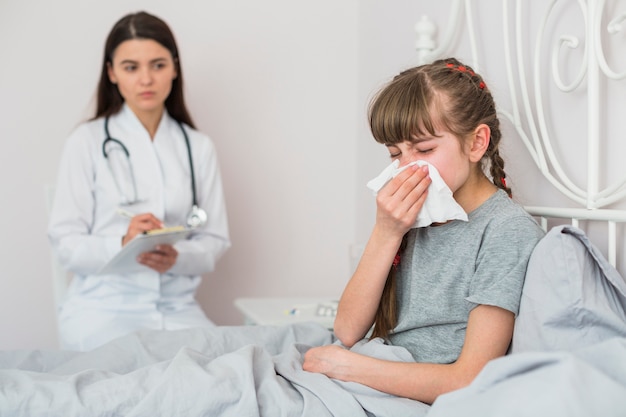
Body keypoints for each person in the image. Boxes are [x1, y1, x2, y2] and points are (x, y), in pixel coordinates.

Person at [303, 58, 545, 404]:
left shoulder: (505, 232)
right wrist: (386, 232)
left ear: (476, 143)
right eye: (394, 154)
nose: (406, 168)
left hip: (405, 390)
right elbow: (347, 330)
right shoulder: (413, 218)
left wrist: (346, 367)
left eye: (425, 149)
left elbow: (469, 379)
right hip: (375, 370)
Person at [48, 11, 231, 351]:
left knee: (224, 374)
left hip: (178, 310)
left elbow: (215, 241)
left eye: (158, 65)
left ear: (175, 68)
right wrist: (123, 242)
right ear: (112, 73)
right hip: (102, 310)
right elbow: (65, 244)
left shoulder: (197, 147)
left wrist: (177, 256)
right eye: (131, 67)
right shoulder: (85, 141)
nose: (146, 79)